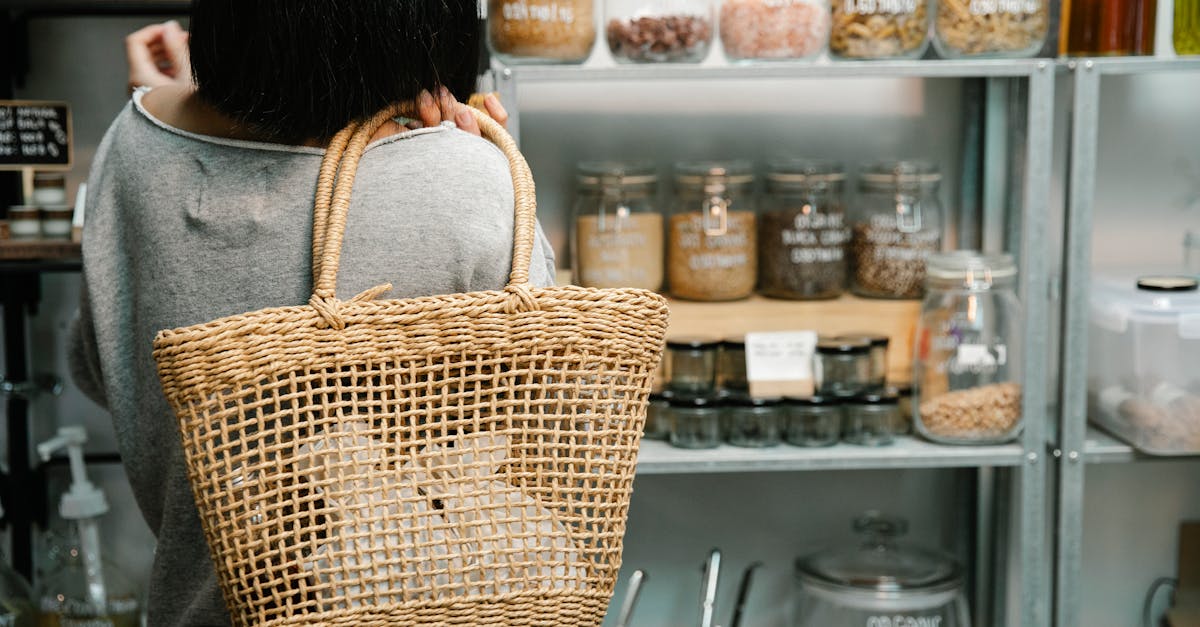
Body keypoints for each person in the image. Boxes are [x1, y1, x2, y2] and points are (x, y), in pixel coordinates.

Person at [68, 3, 557, 626]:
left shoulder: (129, 142)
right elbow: (541, 447)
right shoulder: (467, 179)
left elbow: (99, 369)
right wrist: (478, 167)